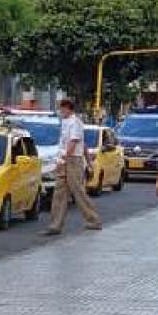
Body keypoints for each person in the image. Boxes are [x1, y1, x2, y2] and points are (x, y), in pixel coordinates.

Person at [45, 97, 102, 235]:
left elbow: (74, 142)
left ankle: (93, 220)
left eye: (62, 109)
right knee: (59, 193)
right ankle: (55, 225)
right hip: (65, 159)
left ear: (68, 108)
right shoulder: (65, 122)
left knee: (78, 191)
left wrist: (64, 158)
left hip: (72, 160)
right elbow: (83, 144)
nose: (60, 111)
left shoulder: (75, 122)